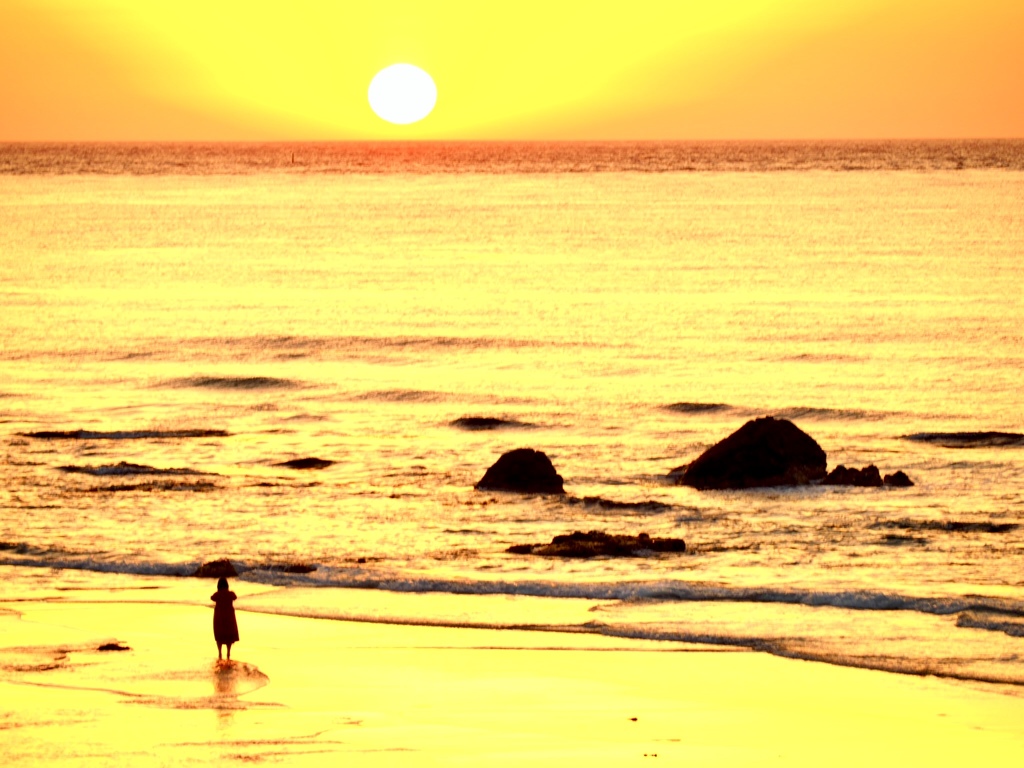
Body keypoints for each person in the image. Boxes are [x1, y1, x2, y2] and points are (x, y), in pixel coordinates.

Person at [211, 576, 239, 660]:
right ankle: (228, 652)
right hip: (229, 617)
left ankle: (220, 652)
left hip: (219, 617)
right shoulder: (230, 594)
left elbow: (212, 598)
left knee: (219, 636)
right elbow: (235, 597)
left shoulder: (217, 595)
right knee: (228, 637)